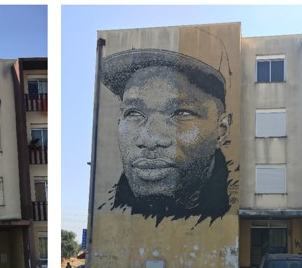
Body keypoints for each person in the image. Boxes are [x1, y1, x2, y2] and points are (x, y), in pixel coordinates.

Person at [98, 47, 234, 225]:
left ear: (221, 130)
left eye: (181, 114)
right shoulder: (105, 212)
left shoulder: (228, 212)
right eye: (133, 113)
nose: (149, 139)